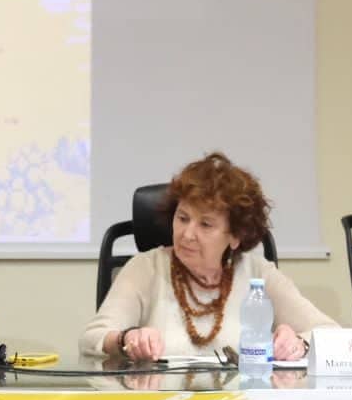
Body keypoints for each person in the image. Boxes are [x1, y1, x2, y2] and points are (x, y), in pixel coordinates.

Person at [81, 152, 337, 361]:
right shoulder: (146, 268)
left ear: (235, 236)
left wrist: (298, 343)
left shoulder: (258, 274)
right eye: (182, 218)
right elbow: (92, 338)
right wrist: (125, 339)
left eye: (205, 224)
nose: (187, 234)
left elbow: (330, 334)